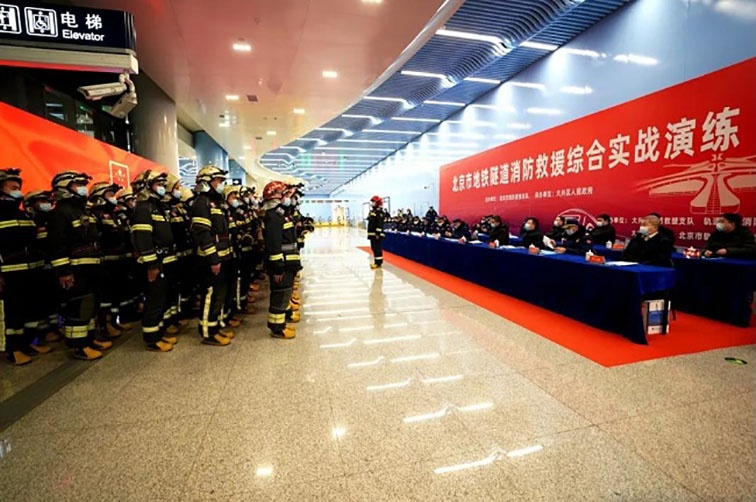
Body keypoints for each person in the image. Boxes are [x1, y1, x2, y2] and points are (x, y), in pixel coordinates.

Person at [47, 171, 112, 360]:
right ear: (64, 187)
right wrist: (64, 271)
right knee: (78, 306)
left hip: (90, 267)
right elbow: (57, 245)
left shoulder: (82, 210)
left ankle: (88, 339)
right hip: (76, 269)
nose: (83, 188)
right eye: (78, 184)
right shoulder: (59, 213)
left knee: (89, 306)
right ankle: (78, 346)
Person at [0, 169, 54, 365]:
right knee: (13, 312)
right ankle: (14, 350)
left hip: (30, 270)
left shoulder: (22, 214)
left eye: (18, 188)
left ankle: (28, 343)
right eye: (13, 188)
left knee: (30, 309)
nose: (18, 191)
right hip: (10, 272)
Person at [131, 170, 178, 352]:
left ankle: (159, 333)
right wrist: (151, 265)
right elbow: (143, 239)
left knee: (162, 300)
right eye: (158, 184)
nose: (162, 188)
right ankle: (152, 339)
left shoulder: (156, 206)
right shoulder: (143, 208)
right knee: (154, 301)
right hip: (155, 263)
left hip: (164, 261)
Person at [191, 166, 235, 346]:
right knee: (210, 295)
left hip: (223, 256)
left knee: (219, 295)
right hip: (211, 259)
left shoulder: (216, 202)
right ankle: (208, 333)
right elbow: (202, 234)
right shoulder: (201, 202)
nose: (221, 184)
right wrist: (213, 259)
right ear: (206, 182)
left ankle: (214, 326)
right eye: (218, 181)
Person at [89, 181, 132, 339]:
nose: (113, 198)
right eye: (110, 194)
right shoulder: (95, 215)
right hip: (104, 262)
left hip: (118, 261)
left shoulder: (114, 214)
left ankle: (113, 321)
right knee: (104, 296)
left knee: (116, 293)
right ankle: (104, 325)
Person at [24, 189, 63, 344]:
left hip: (51, 267)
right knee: (40, 302)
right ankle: (42, 333)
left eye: (47, 201)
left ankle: (54, 328)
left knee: (53, 300)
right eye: (41, 201)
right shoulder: (29, 221)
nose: (46, 204)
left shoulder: (51, 220)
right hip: (35, 269)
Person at [262, 181, 298, 339]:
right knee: (280, 295)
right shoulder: (274, 217)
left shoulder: (280, 214)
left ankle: (281, 322)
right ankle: (277, 328)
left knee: (284, 293)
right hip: (281, 264)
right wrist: (278, 267)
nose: (288, 197)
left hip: (287, 262)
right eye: (285, 194)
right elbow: (274, 244)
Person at [367, 195, 386, 269]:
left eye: (373, 202)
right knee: (374, 248)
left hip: (376, 234)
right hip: (372, 234)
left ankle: (378, 263)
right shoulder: (373, 211)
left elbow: (379, 224)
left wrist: (378, 233)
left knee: (377, 248)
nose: (372, 203)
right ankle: (376, 261)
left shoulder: (379, 212)